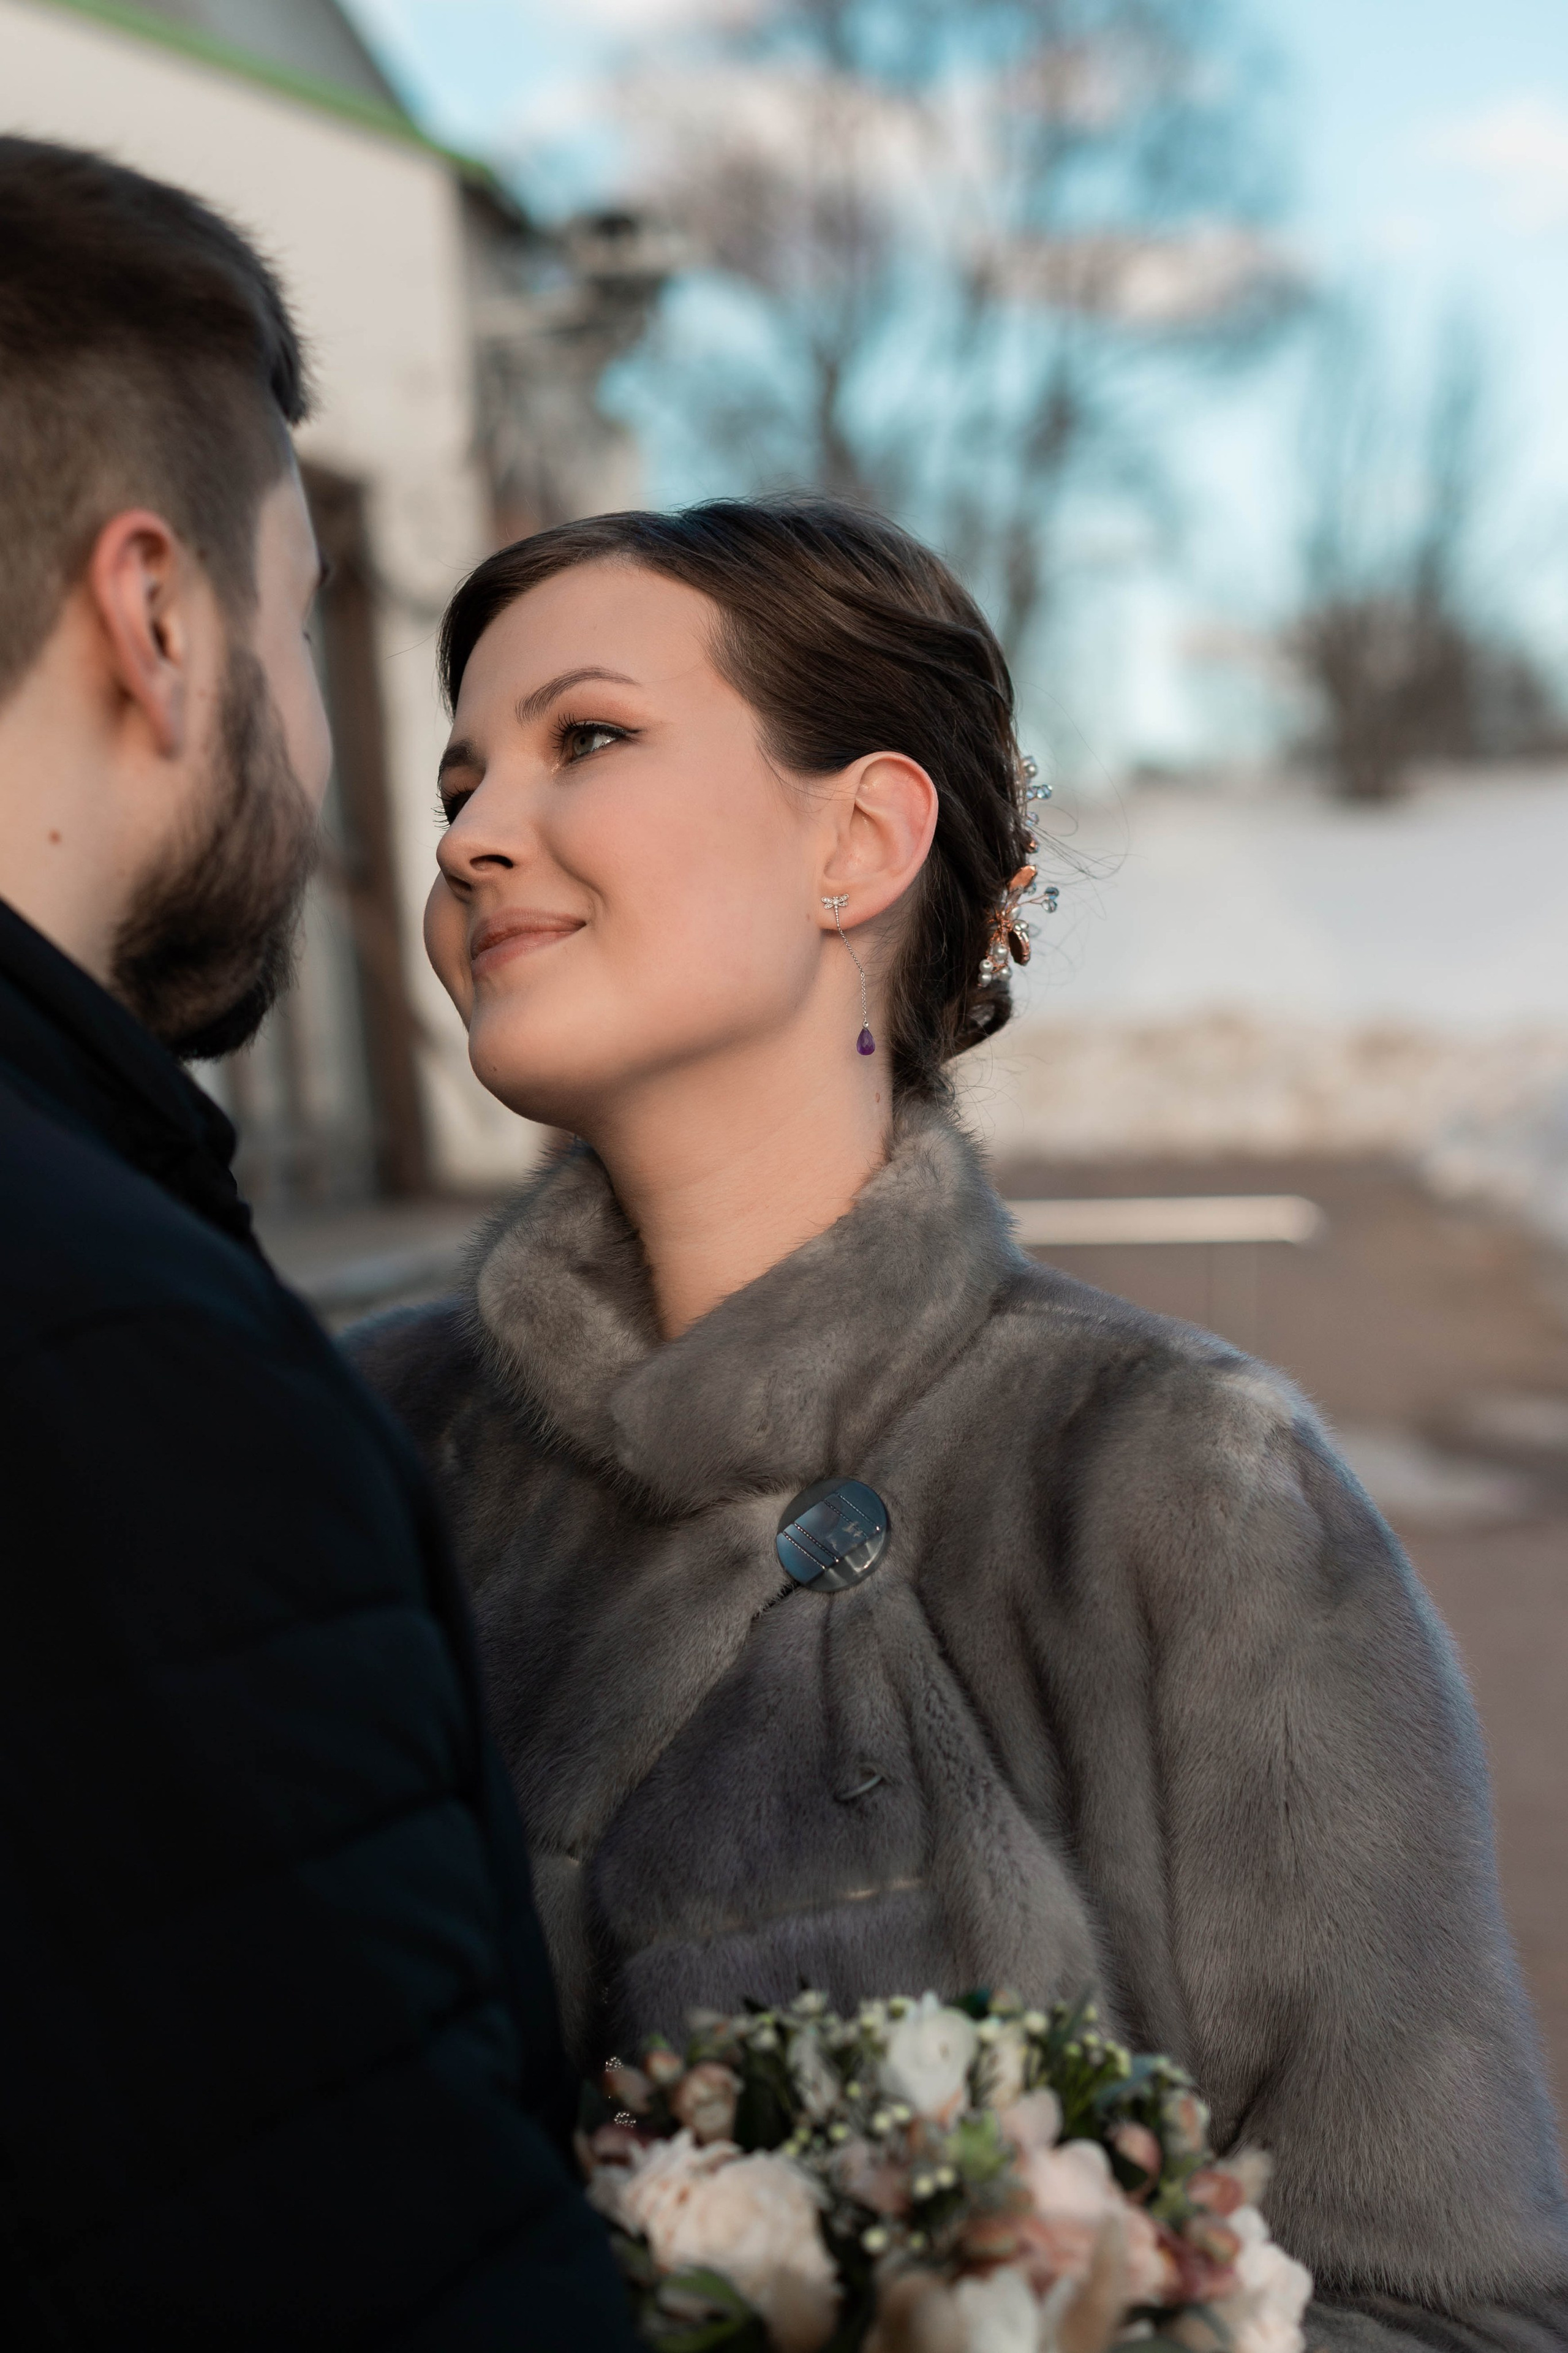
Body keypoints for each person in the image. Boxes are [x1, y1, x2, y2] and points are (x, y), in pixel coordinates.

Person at [349, 497, 1568, 2353]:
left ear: (859, 838)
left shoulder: (1175, 1482)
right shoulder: (357, 1445)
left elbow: (1452, 2303)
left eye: (582, 738)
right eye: (459, 774)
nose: (469, 831)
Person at [0, 139, 633, 2348]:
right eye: (296, 631)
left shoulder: (1169, 1471)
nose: (453, 827)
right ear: (154, 622)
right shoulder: (147, 1375)